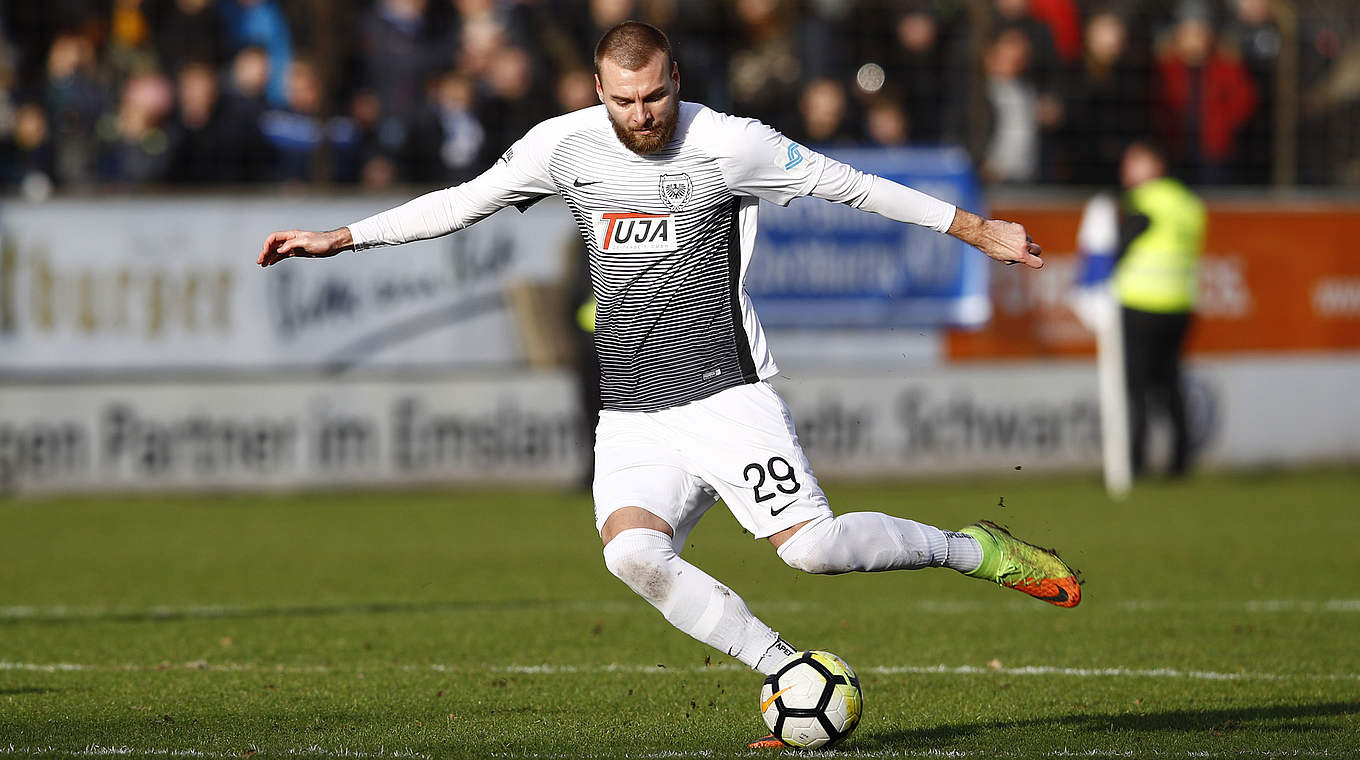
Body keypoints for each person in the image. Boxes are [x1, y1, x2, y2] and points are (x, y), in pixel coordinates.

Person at [257, 21, 1081, 748]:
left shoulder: (731, 142)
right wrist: (342, 238)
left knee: (815, 552)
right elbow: (460, 203)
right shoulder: (561, 145)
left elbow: (851, 183)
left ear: (675, 82)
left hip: (725, 393)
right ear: (597, 91)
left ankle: (974, 551)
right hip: (632, 412)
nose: (640, 115)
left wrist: (977, 229)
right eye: (623, 101)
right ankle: (789, 672)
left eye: (653, 96)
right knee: (633, 555)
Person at [1115, 139, 1205, 480]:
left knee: (1135, 388)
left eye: (1133, 162)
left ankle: (1133, 464)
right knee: (1170, 384)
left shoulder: (1144, 200)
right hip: (1180, 302)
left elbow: (1121, 244)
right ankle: (1180, 463)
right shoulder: (1188, 203)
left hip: (1140, 302)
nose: (1125, 171)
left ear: (1155, 166)